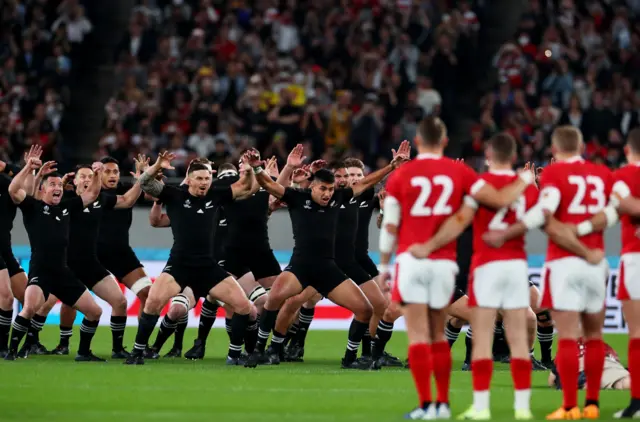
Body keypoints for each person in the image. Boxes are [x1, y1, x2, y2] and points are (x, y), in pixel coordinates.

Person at [378, 116, 536, 420]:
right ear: (445, 142)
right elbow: (499, 199)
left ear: (419, 142)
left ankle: (427, 406)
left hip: (412, 260)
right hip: (444, 264)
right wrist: (524, 181)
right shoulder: (460, 171)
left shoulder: (402, 175)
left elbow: (390, 225)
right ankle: (445, 403)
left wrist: (385, 264)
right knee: (438, 333)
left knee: (418, 337)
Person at [483, 125, 610, 420]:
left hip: (565, 263)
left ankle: (568, 406)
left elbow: (544, 214)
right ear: (582, 148)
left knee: (566, 337)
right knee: (593, 336)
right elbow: (610, 213)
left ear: (554, 149)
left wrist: (512, 230)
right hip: (596, 263)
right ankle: (592, 403)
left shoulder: (555, 176)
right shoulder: (602, 175)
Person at [244, 146, 409, 370]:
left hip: (328, 269)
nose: (327, 194)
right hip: (300, 267)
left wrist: (391, 167)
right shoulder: (297, 197)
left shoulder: (338, 198)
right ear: (312, 186)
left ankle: (350, 358)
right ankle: (263, 351)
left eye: (330, 189)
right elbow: (270, 185)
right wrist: (256, 169)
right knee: (274, 300)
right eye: (323, 188)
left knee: (365, 310)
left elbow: (364, 183)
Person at [124, 151, 257, 366]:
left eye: (207, 178)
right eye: (200, 178)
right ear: (190, 179)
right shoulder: (174, 195)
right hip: (179, 265)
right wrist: (158, 164)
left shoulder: (217, 195)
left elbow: (248, 187)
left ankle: (234, 355)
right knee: (153, 302)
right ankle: (138, 351)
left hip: (208, 267)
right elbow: (145, 183)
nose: (204, 183)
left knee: (244, 306)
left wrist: (250, 170)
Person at [566, 127, 640, 419]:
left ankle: (636, 404)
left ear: (626, 150)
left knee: (636, 332)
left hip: (635, 259)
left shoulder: (620, 177)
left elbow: (616, 207)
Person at [5, 159, 105, 362]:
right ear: (42, 190)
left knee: (95, 311)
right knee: (29, 308)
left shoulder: (67, 207)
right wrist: (29, 169)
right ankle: (12, 351)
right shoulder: (33, 207)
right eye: (53, 185)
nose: (58, 188)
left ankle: (83, 353)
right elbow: (13, 189)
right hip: (40, 271)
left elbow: (92, 194)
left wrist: (97, 174)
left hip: (62, 273)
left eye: (60, 185)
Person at [48, 156, 148, 357]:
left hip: (90, 263)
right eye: (82, 176)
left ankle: (117, 349)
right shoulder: (65, 201)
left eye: (89, 176)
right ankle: (54, 344)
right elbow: (38, 197)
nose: (86, 179)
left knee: (119, 302)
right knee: (45, 304)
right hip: (65, 264)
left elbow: (127, 200)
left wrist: (145, 177)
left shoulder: (100, 200)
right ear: (74, 180)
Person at [331, 149, 410, 368]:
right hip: (334, 259)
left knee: (380, 304)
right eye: (351, 175)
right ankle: (286, 344)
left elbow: (382, 220)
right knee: (299, 301)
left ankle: (371, 352)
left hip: (359, 258)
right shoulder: (336, 196)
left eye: (358, 174)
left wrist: (398, 173)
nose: (355, 179)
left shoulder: (368, 196)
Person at [96, 157, 151, 319]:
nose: (112, 175)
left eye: (115, 172)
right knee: (68, 299)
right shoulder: (91, 193)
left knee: (147, 295)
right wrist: (142, 179)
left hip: (120, 253)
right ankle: (61, 343)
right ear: (98, 174)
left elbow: (152, 196)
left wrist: (147, 174)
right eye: (107, 171)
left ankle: (140, 344)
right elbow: (127, 201)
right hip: (89, 254)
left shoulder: (127, 189)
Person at [0, 146, 42, 357]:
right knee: (6, 298)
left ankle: (31, 343)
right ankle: (1, 347)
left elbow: (28, 194)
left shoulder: (8, 185)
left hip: (5, 248)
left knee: (28, 301)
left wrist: (29, 169)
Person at [548, 340, 630, 392]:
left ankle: (583, 382)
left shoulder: (567, 347)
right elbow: (615, 358)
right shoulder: (604, 345)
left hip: (579, 362)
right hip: (605, 360)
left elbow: (551, 380)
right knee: (622, 382)